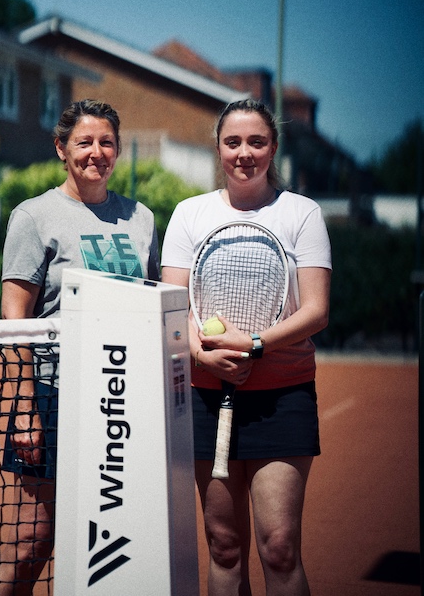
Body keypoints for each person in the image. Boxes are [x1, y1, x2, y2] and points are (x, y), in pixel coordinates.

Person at [0, 99, 160, 596]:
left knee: (118, 534)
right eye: (84, 142)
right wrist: (24, 409)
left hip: (122, 402)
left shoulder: (141, 218)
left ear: (118, 150)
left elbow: (153, 305)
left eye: (107, 142)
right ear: (61, 148)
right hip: (54, 395)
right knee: (33, 538)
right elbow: (15, 318)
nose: (96, 153)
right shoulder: (34, 216)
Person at [161, 98, 331, 596]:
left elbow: (315, 311)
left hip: (284, 397)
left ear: (273, 147)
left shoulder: (302, 213)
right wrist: (201, 353)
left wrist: (253, 344)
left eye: (256, 141)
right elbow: (175, 305)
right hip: (205, 398)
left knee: (279, 547)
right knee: (224, 545)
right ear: (218, 148)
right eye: (233, 142)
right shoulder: (190, 215)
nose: (244, 153)